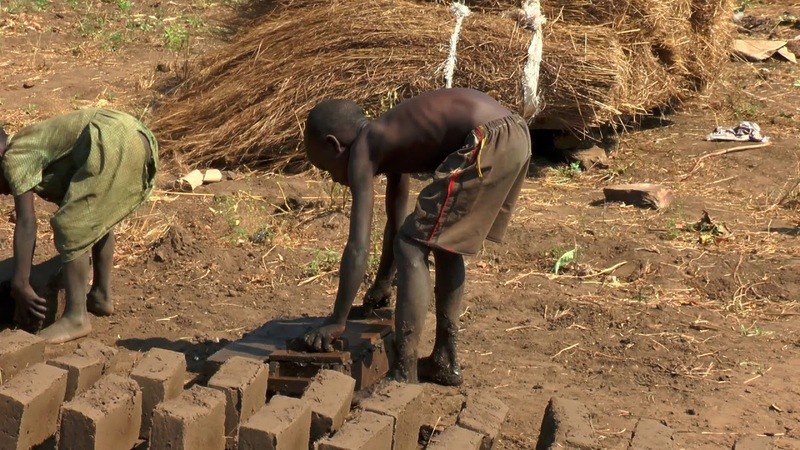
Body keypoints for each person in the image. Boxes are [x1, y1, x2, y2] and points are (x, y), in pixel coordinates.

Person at [301, 88, 531, 386]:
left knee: (410, 246)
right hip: (513, 132)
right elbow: (396, 223)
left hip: (486, 138)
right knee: (442, 242)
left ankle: (404, 369)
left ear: (334, 145)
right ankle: (444, 360)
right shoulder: (390, 139)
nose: (332, 178)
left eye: (325, 168)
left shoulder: (364, 148)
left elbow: (358, 246)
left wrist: (337, 320)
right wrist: (383, 283)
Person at [0, 108, 158, 344]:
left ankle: (76, 317)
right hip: (131, 134)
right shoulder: (28, 143)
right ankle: (100, 296)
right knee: (92, 218)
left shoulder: (15, 157)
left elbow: (26, 222)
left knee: (71, 224)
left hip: (112, 139)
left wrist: (20, 282)